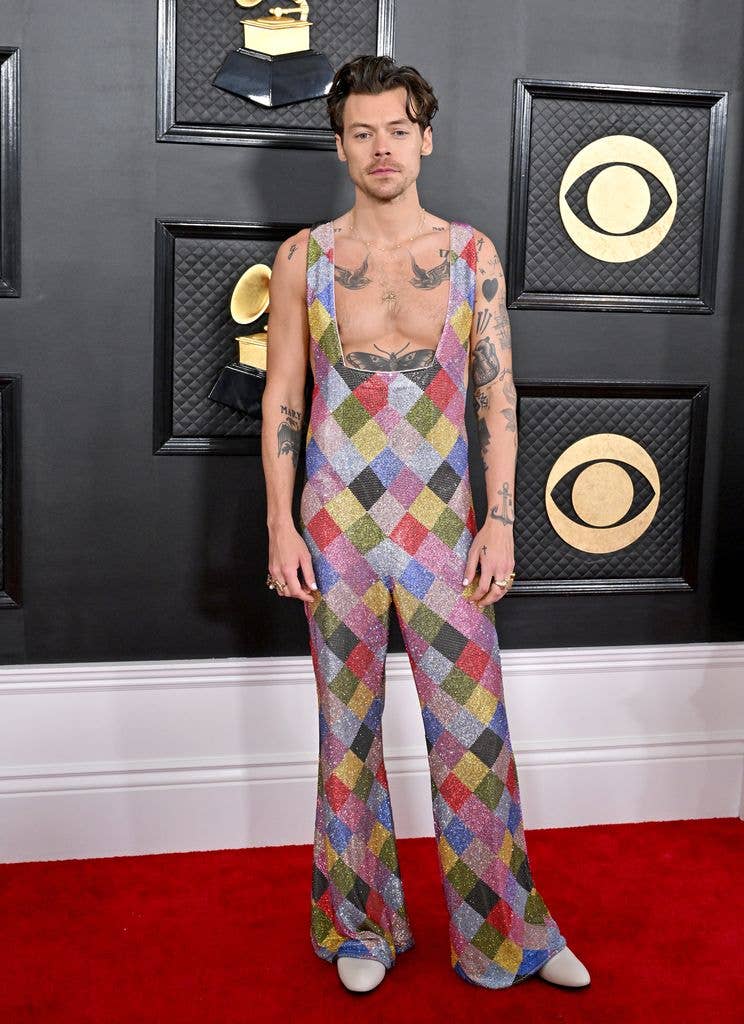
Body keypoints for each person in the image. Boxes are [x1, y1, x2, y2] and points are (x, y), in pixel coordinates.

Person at [261, 54, 590, 994]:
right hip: (333, 524)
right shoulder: (303, 260)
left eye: (396, 130)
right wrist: (280, 529)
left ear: (424, 137)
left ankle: (509, 935)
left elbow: (499, 399)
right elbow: (284, 396)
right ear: (340, 145)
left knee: (473, 731)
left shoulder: (471, 255)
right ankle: (362, 928)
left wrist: (504, 522)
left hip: (447, 525)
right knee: (345, 732)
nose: (381, 148)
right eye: (361, 132)